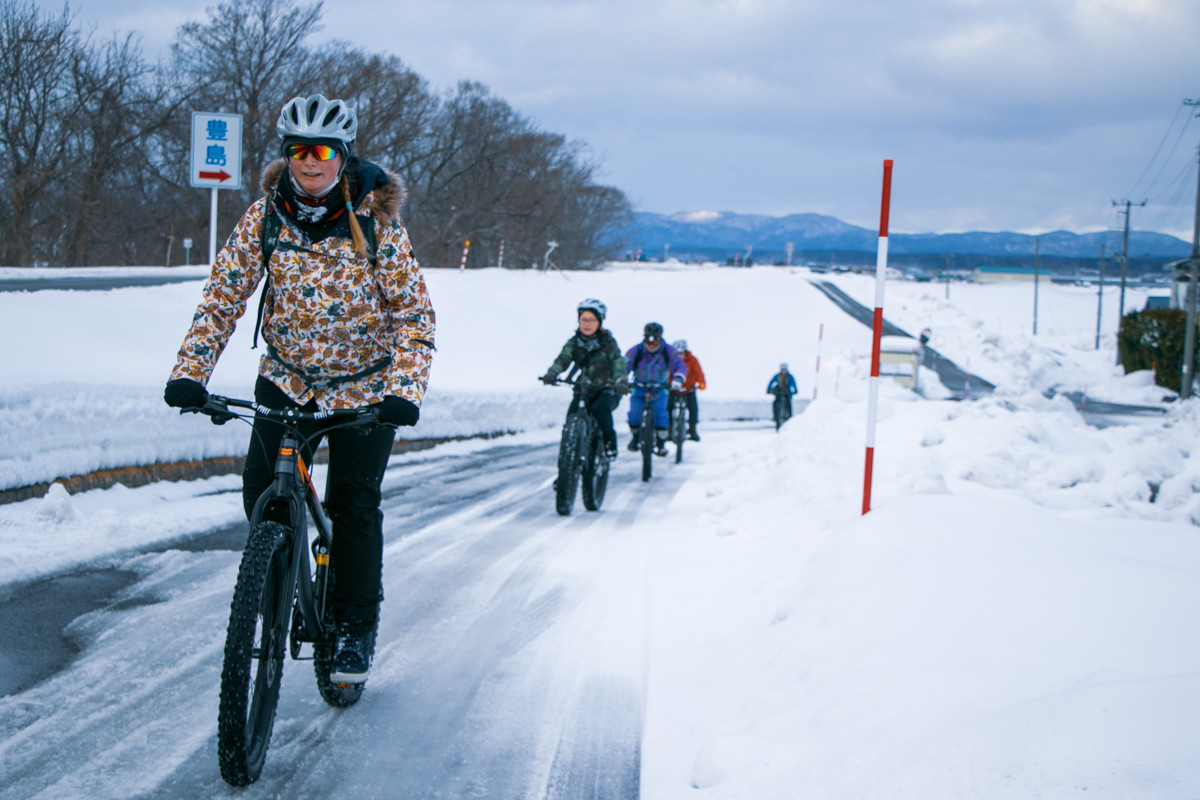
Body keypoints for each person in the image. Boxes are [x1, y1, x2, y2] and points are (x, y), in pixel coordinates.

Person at [163, 93, 436, 685]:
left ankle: (352, 629)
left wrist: (403, 390)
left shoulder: (377, 222)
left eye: (320, 151)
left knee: (354, 506)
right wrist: (191, 371)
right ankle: (277, 572)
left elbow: (414, 316)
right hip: (286, 378)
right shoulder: (265, 215)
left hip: (364, 390)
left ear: (342, 156)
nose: (308, 163)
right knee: (262, 491)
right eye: (297, 151)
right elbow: (223, 297)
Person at [541, 298, 627, 458]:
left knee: (599, 410)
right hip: (583, 388)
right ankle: (565, 468)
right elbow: (563, 358)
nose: (587, 324)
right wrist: (553, 372)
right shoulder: (574, 342)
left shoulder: (608, 342)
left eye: (591, 320)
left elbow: (618, 362)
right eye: (583, 320)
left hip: (606, 389)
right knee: (571, 417)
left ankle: (609, 444)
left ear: (600, 321)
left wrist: (621, 381)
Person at [626, 322, 687, 456]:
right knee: (634, 414)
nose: (652, 344)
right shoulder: (637, 350)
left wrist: (677, 379)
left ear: (660, 339)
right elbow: (625, 365)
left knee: (661, 415)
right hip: (639, 388)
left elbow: (680, 366)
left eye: (655, 340)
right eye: (649, 340)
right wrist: (621, 380)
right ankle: (635, 437)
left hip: (659, 389)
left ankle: (661, 443)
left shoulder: (668, 351)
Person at [672, 339, 706, 441]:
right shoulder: (671, 361)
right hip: (674, 390)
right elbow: (667, 373)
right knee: (667, 407)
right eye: (677, 353)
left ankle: (692, 430)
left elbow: (699, 372)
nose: (679, 355)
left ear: (685, 352)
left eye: (681, 353)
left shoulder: (693, 360)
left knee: (693, 408)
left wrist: (701, 383)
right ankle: (668, 430)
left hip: (689, 390)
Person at [767, 362, 798, 428]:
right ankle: (775, 417)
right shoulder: (777, 376)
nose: (783, 371)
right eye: (782, 370)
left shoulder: (790, 376)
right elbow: (771, 382)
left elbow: (793, 383)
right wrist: (769, 389)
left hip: (787, 393)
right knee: (775, 404)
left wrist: (795, 390)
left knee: (788, 404)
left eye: (785, 370)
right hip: (779, 393)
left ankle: (789, 417)